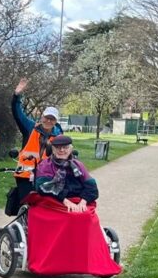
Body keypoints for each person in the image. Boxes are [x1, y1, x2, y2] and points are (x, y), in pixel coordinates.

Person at [11, 77, 64, 205]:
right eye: (47, 118)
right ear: (42, 117)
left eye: (52, 119)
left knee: (44, 206)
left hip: (46, 176)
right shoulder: (30, 128)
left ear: (56, 121)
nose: (49, 121)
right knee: (26, 205)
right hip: (25, 175)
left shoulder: (58, 137)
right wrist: (16, 96)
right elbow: (18, 114)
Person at [33, 135, 98, 212]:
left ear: (71, 149)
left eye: (65, 147)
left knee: (86, 214)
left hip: (77, 199)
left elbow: (91, 186)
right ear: (53, 150)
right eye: (58, 147)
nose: (62, 150)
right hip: (54, 200)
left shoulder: (78, 165)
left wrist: (83, 202)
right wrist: (66, 201)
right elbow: (43, 187)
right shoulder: (45, 165)